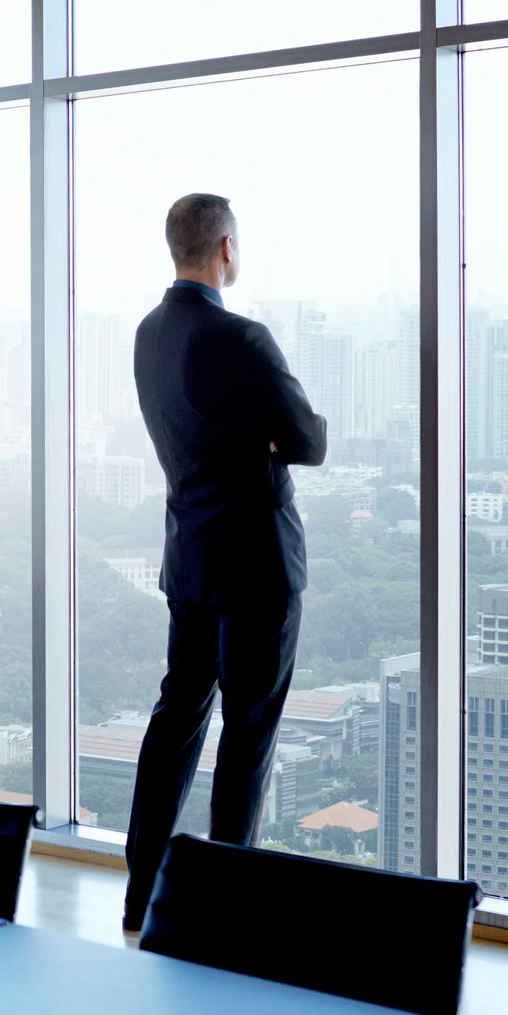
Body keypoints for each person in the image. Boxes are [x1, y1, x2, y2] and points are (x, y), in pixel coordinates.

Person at [121, 192, 328, 932]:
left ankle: (140, 894)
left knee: (175, 719)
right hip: (257, 569)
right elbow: (306, 440)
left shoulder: (149, 333)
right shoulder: (241, 339)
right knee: (247, 736)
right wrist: (267, 438)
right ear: (226, 250)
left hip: (190, 559)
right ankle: (218, 914)